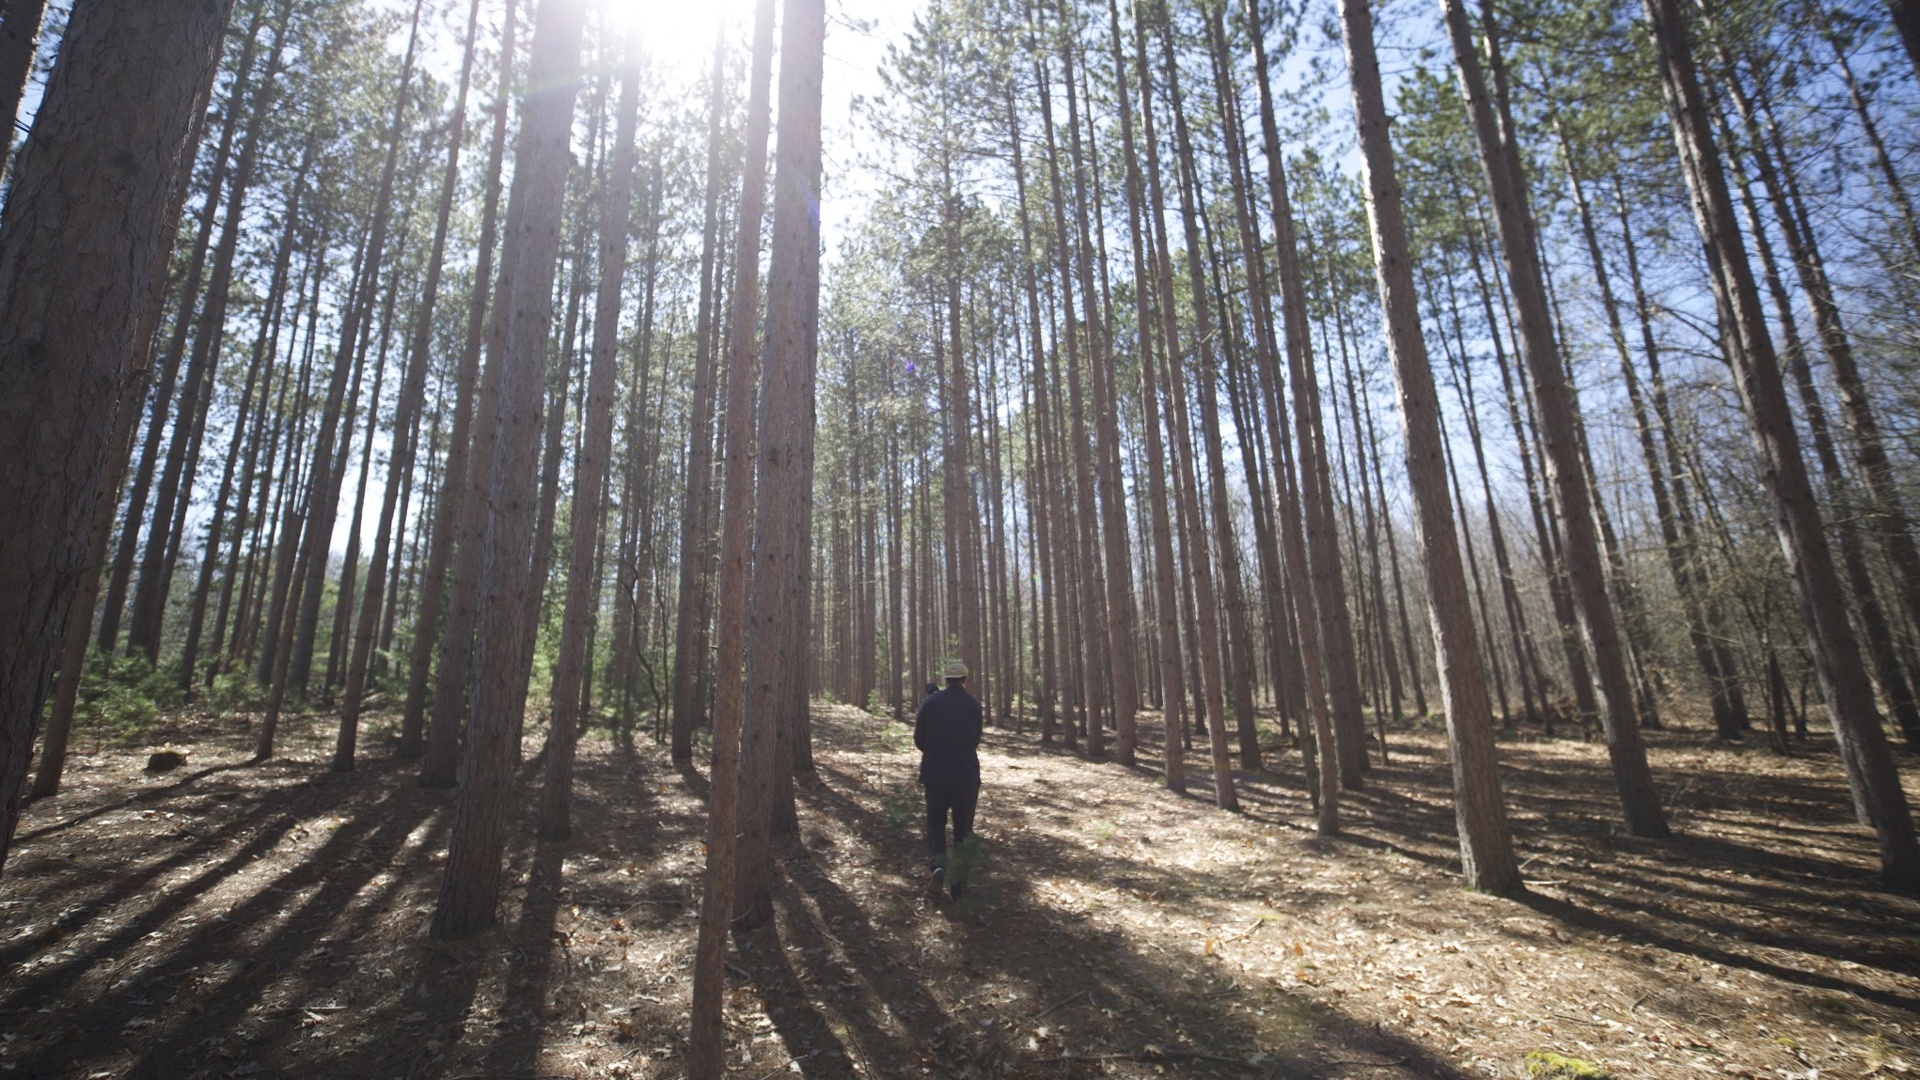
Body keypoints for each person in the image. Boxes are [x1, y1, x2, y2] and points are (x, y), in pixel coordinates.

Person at [914, 660, 982, 897]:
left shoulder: (930, 702)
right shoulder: (973, 706)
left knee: (935, 823)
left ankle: (938, 866)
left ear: (946, 680)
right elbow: (975, 739)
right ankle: (958, 886)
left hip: (936, 775)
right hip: (966, 776)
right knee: (964, 830)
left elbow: (919, 740)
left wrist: (936, 752)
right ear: (965, 680)